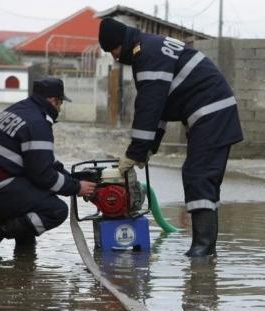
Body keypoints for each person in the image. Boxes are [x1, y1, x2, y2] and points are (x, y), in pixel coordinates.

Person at [98, 18, 243, 257]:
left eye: (112, 50)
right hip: (212, 113)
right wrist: (148, 149)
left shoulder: (146, 54)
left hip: (212, 113)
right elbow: (161, 109)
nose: (114, 57)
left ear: (120, 43)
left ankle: (203, 250)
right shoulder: (149, 48)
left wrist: (135, 152)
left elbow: (149, 107)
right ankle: (206, 250)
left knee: (198, 175)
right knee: (201, 176)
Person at [0, 78, 97, 251]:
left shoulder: (21, 109)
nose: (60, 108)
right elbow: (43, 176)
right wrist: (76, 188)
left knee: (35, 196)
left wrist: (72, 178)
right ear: (53, 101)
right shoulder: (38, 123)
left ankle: (23, 246)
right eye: (60, 104)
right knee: (55, 209)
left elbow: (44, 161)